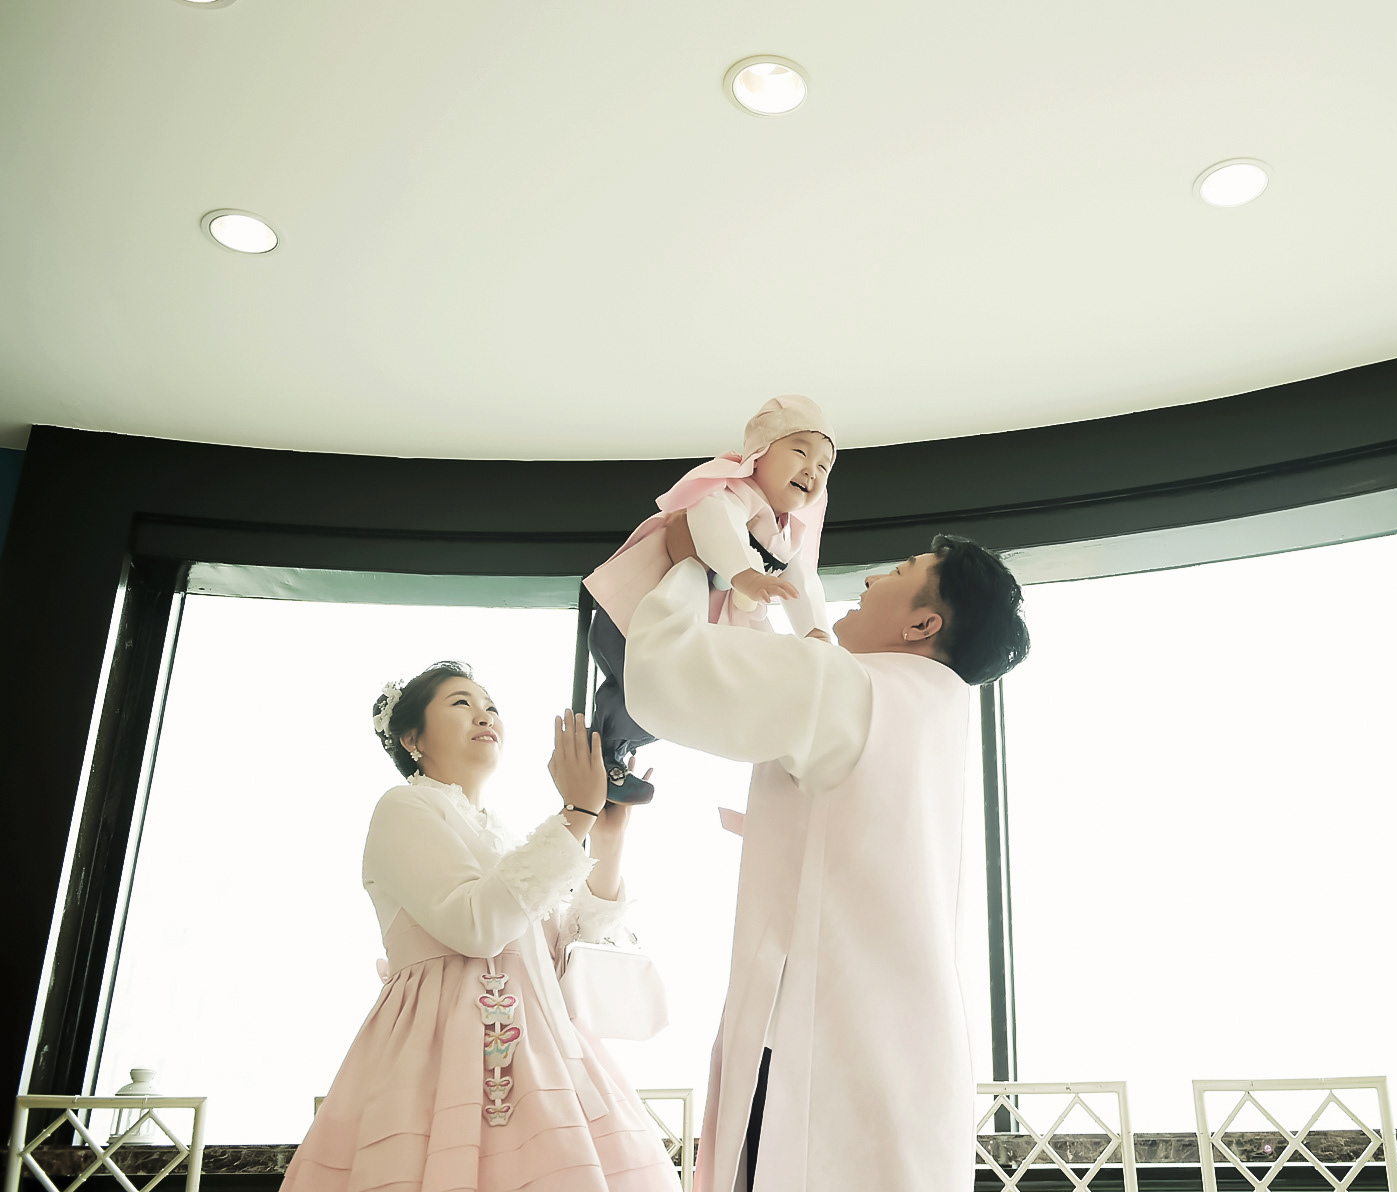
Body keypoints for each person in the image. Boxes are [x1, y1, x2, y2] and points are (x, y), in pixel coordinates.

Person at [626, 519, 1031, 1192]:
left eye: (897, 572)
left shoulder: (850, 687)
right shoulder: (936, 713)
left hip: (816, 1046)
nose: (870, 578)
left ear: (922, 625)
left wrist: (693, 566)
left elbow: (664, 672)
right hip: (911, 1053)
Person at [281, 662, 680, 1192]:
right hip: (440, 1051)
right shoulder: (403, 806)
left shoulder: (506, 838)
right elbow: (476, 926)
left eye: (491, 705)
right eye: (461, 703)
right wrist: (575, 814)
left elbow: (565, 955)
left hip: (540, 1051)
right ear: (411, 739)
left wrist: (605, 836)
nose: (485, 714)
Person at [580, 395, 836, 804]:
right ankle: (603, 757)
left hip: (686, 623)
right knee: (642, 692)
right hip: (635, 613)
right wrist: (744, 574)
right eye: (801, 452)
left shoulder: (788, 535)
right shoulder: (732, 492)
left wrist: (816, 631)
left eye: (824, 466)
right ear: (759, 455)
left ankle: (612, 758)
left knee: (671, 700)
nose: (812, 470)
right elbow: (712, 519)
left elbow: (802, 579)